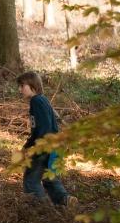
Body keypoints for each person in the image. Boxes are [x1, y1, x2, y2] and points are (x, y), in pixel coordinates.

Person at [17, 71, 77, 207]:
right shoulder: (41, 100)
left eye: (22, 85)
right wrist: (27, 145)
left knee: (31, 180)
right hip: (52, 145)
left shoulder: (37, 101)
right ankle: (65, 200)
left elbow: (44, 128)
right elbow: (38, 129)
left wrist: (36, 148)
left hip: (44, 147)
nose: (20, 89)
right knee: (49, 178)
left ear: (32, 85)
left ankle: (41, 208)